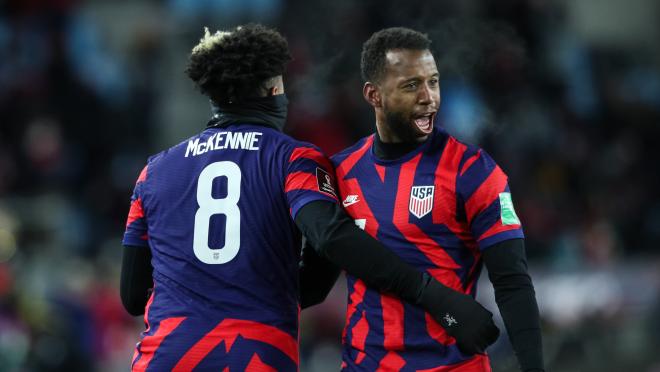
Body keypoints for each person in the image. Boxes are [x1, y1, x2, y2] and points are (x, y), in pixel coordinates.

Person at [120, 24, 499, 371]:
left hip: (165, 354)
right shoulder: (294, 159)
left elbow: (133, 297)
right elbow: (329, 241)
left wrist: (203, 290)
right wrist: (432, 294)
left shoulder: (153, 172)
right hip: (255, 355)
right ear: (273, 89)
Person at [329, 27, 544, 371]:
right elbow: (315, 277)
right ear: (374, 95)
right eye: (411, 85)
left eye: (433, 81)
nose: (428, 97)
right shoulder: (341, 171)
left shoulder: (474, 171)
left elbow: (512, 281)